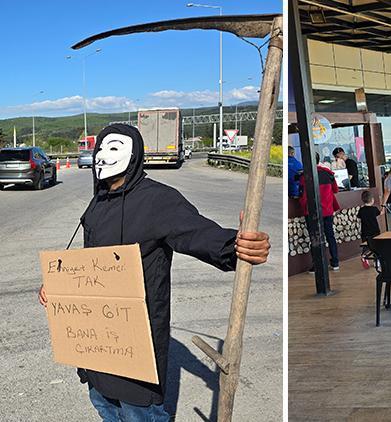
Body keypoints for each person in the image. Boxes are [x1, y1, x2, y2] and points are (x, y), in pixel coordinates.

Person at [37, 124, 271, 420]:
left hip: (137, 349)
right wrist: (58, 287)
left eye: (114, 148)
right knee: (105, 406)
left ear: (134, 155)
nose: (102, 156)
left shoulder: (159, 200)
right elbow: (90, 266)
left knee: (139, 413)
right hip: (96, 350)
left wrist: (236, 246)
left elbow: (198, 234)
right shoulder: (98, 201)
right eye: (101, 149)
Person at [299, 152, 341, 271]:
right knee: (330, 236)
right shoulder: (328, 174)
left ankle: (318, 265)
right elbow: (336, 190)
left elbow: (302, 196)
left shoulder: (304, 176)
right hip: (327, 210)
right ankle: (335, 262)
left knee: (315, 238)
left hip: (312, 212)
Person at [357, 190, 382, 268]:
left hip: (365, 232)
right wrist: (383, 209)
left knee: (366, 246)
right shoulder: (374, 209)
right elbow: (380, 213)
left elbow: (358, 216)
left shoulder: (361, 210)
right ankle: (376, 262)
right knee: (376, 247)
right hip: (375, 232)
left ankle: (364, 256)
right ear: (372, 200)